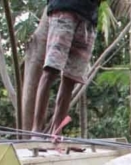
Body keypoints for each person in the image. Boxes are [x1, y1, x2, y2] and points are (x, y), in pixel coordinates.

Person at [32, 0, 100, 137]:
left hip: (88, 18)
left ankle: (56, 133)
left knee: (70, 78)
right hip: (64, 10)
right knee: (51, 69)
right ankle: (36, 131)